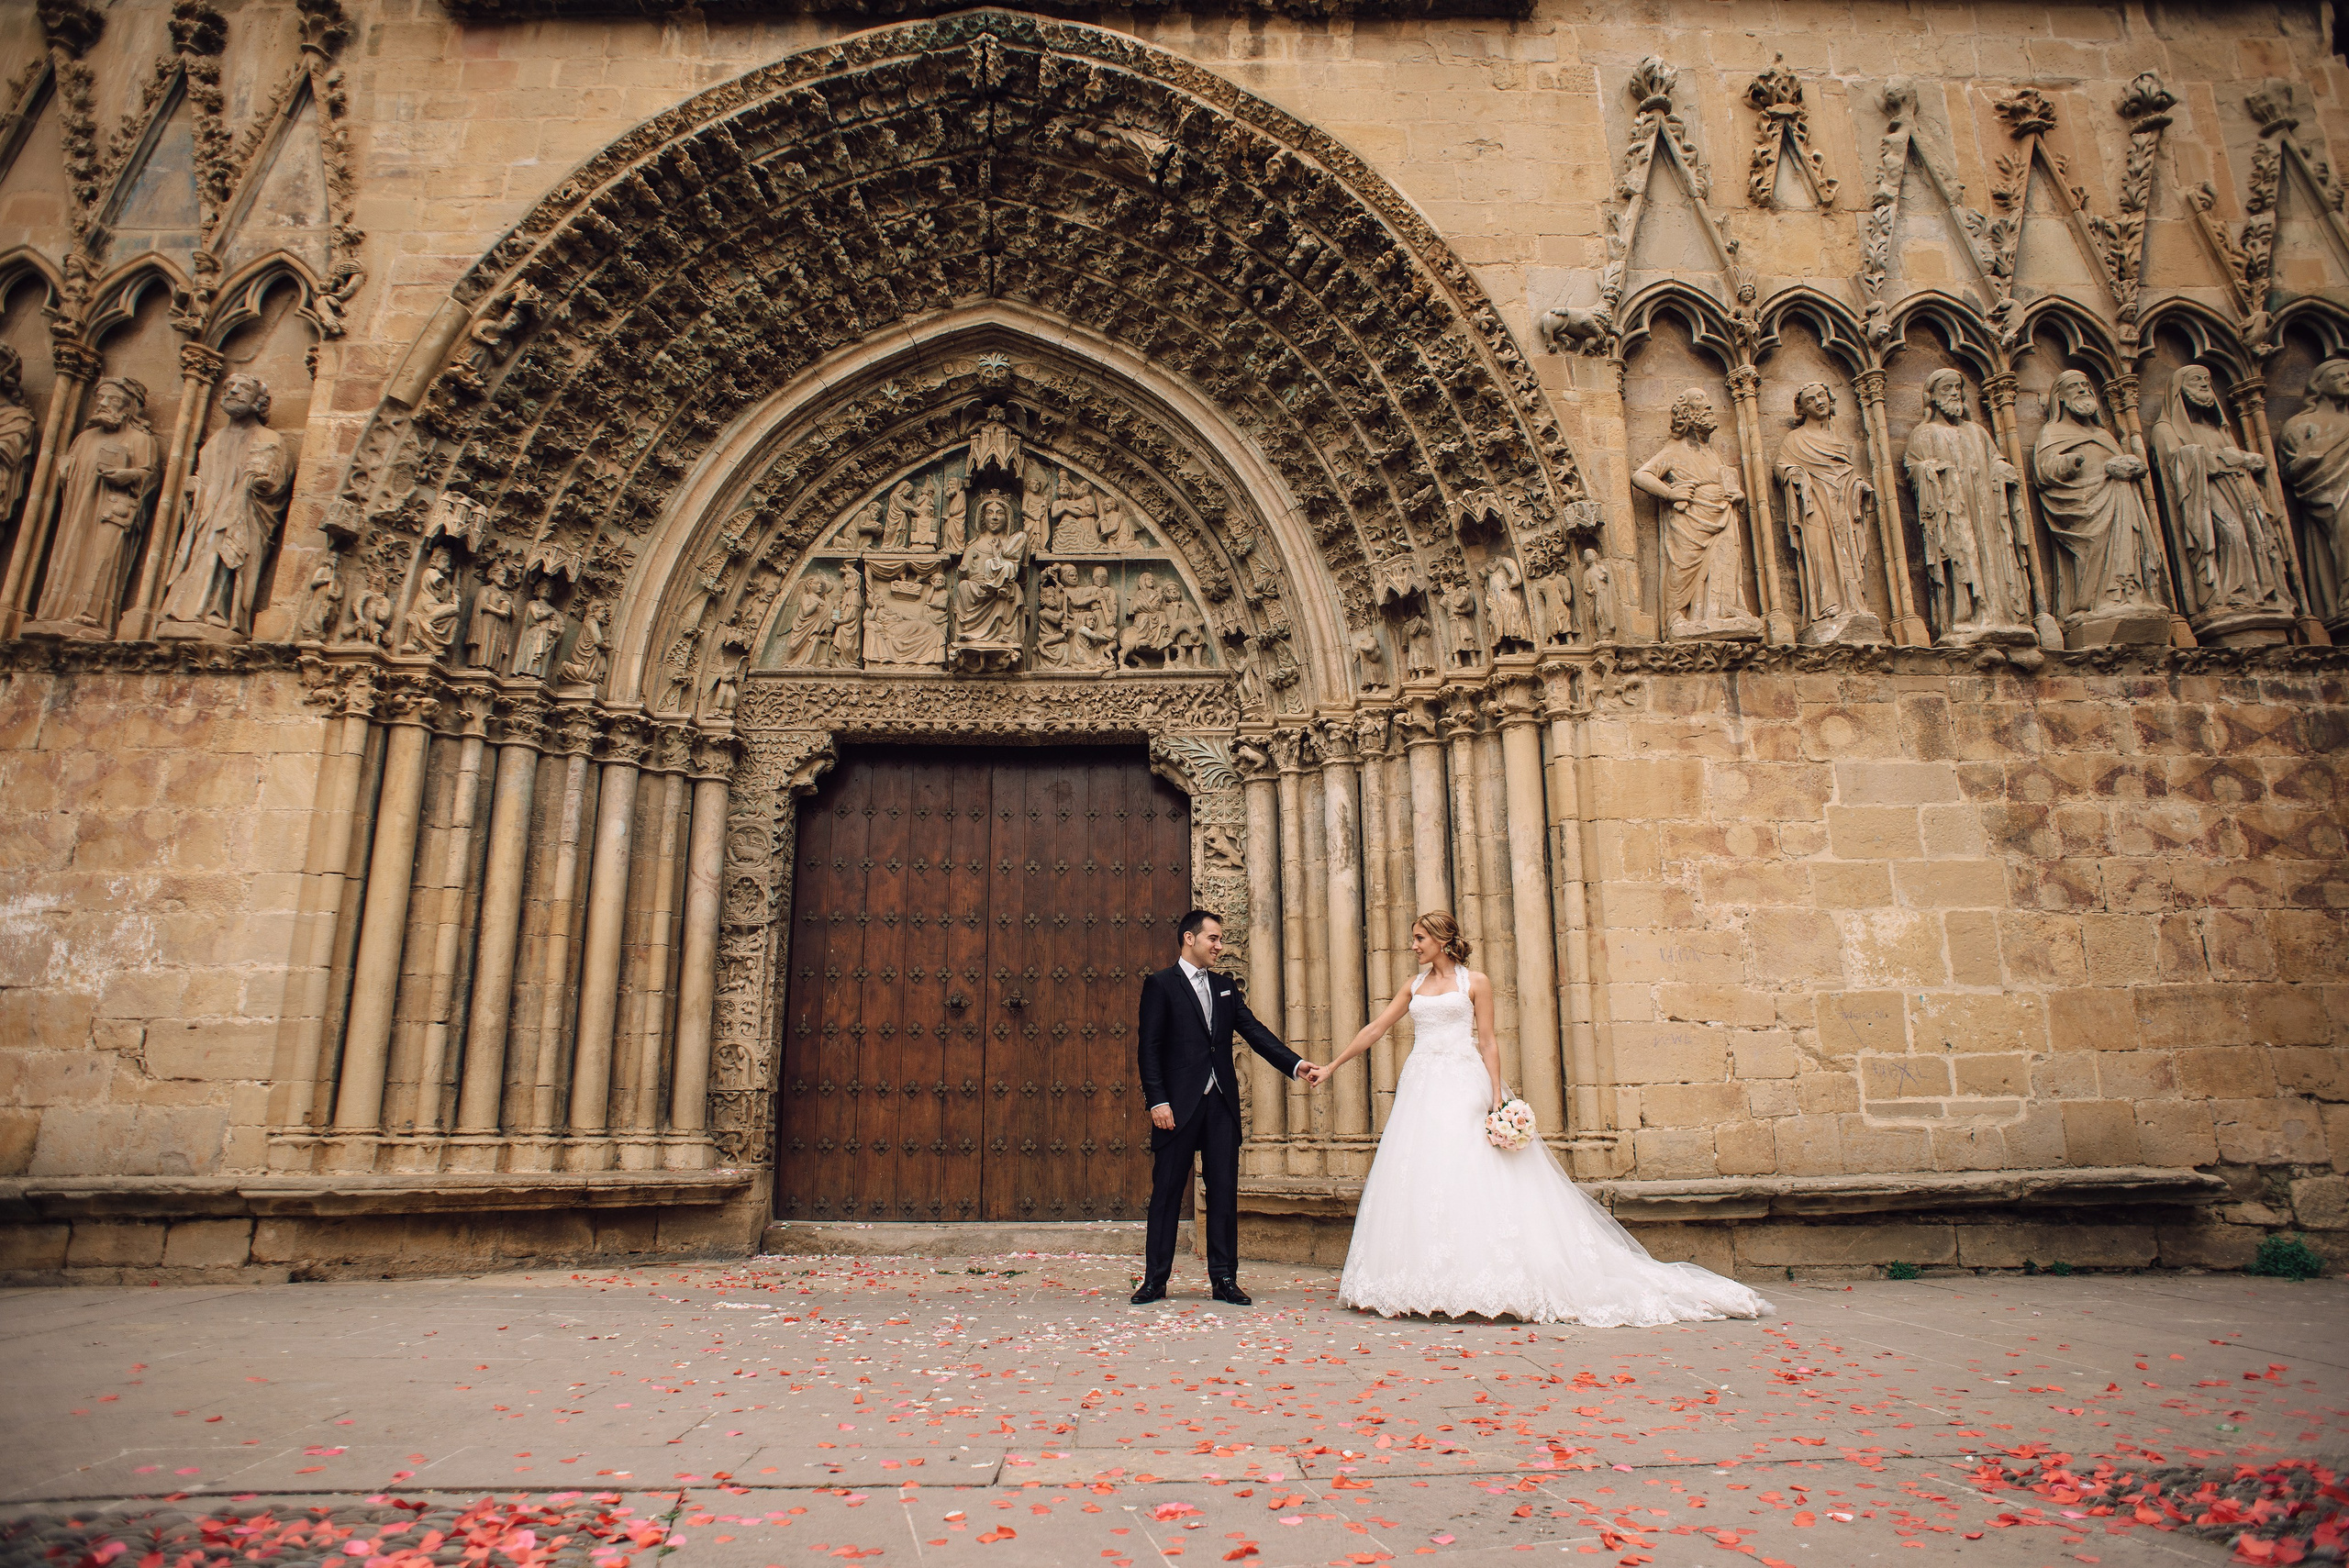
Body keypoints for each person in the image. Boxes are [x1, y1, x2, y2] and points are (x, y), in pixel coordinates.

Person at [1308, 912, 1775, 1325]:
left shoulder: (1477, 982)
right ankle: (1420, 1278)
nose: (1412, 946)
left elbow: (1488, 1040)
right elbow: (1377, 1027)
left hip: (1463, 1082)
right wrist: (1332, 1066)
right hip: (1422, 1085)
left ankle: (1486, 1276)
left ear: (1442, 940)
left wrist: (1495, 1094)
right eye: (1413, 939)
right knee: (1422, 1170)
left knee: (1472, 1169)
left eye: (1419, 939)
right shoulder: (1412, 986)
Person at [1133, 909, 1314, 1307]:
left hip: (1220, 1107)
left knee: (1223, 1195)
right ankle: (1155, 1281)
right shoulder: (1160, 985)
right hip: (1176, 1108)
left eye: (1220, 939)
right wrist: (1157, 1100)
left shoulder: (1225, 987)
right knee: (1165, 1193)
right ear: (1188, 939)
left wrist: (1296, 1065)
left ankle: (1224, 1279)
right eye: (1213, 938)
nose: (1219, 946)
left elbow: (1254, 1032)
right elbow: (1149, 1049)